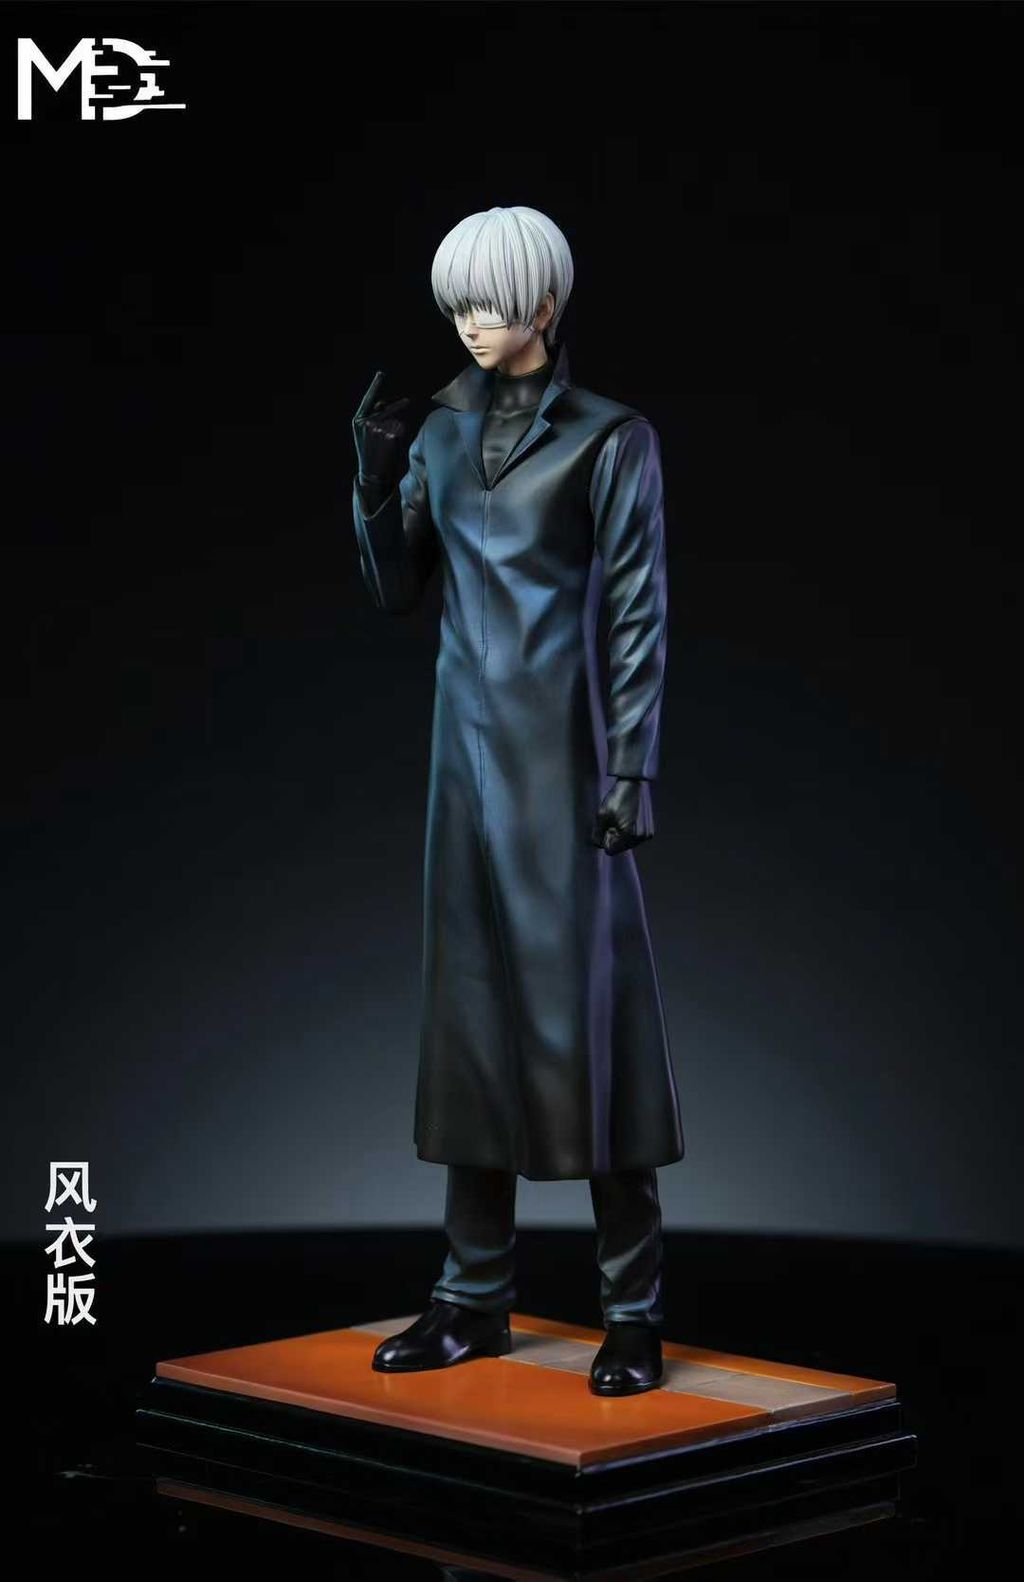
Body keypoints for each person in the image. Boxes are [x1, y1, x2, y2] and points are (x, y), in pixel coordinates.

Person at [350, 206, 683, 1396]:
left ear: (544, 300)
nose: (471, 324)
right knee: (469, 1029)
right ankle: (469, 1297)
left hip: (567, 768)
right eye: (457, 305)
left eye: (490, 302)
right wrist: (372, 476)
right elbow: (397, 588)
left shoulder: (609, 439)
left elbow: (638, 611)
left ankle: (632, 1311)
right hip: (462, 768)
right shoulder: (439, 430)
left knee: (591, 1029)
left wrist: (631, 768)